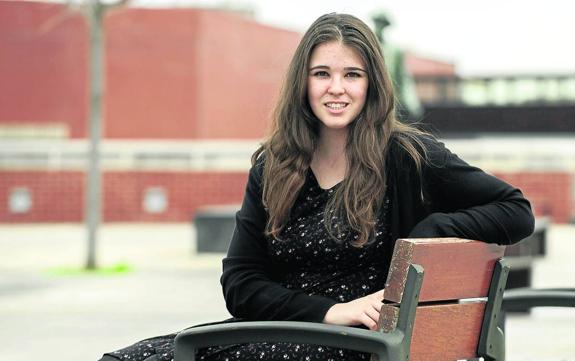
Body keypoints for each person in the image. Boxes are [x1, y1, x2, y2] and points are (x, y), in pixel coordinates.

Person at [100, 13, 534, 361]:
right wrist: (329, 312)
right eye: (322, 73)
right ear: (302, 82)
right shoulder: (275, 164)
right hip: (282, 332)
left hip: (363, 344)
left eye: (352, 75)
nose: (336, 89)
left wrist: (430, 233)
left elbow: (516, 210)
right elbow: (240, 283)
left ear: (372, 84)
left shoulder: (406, 154)